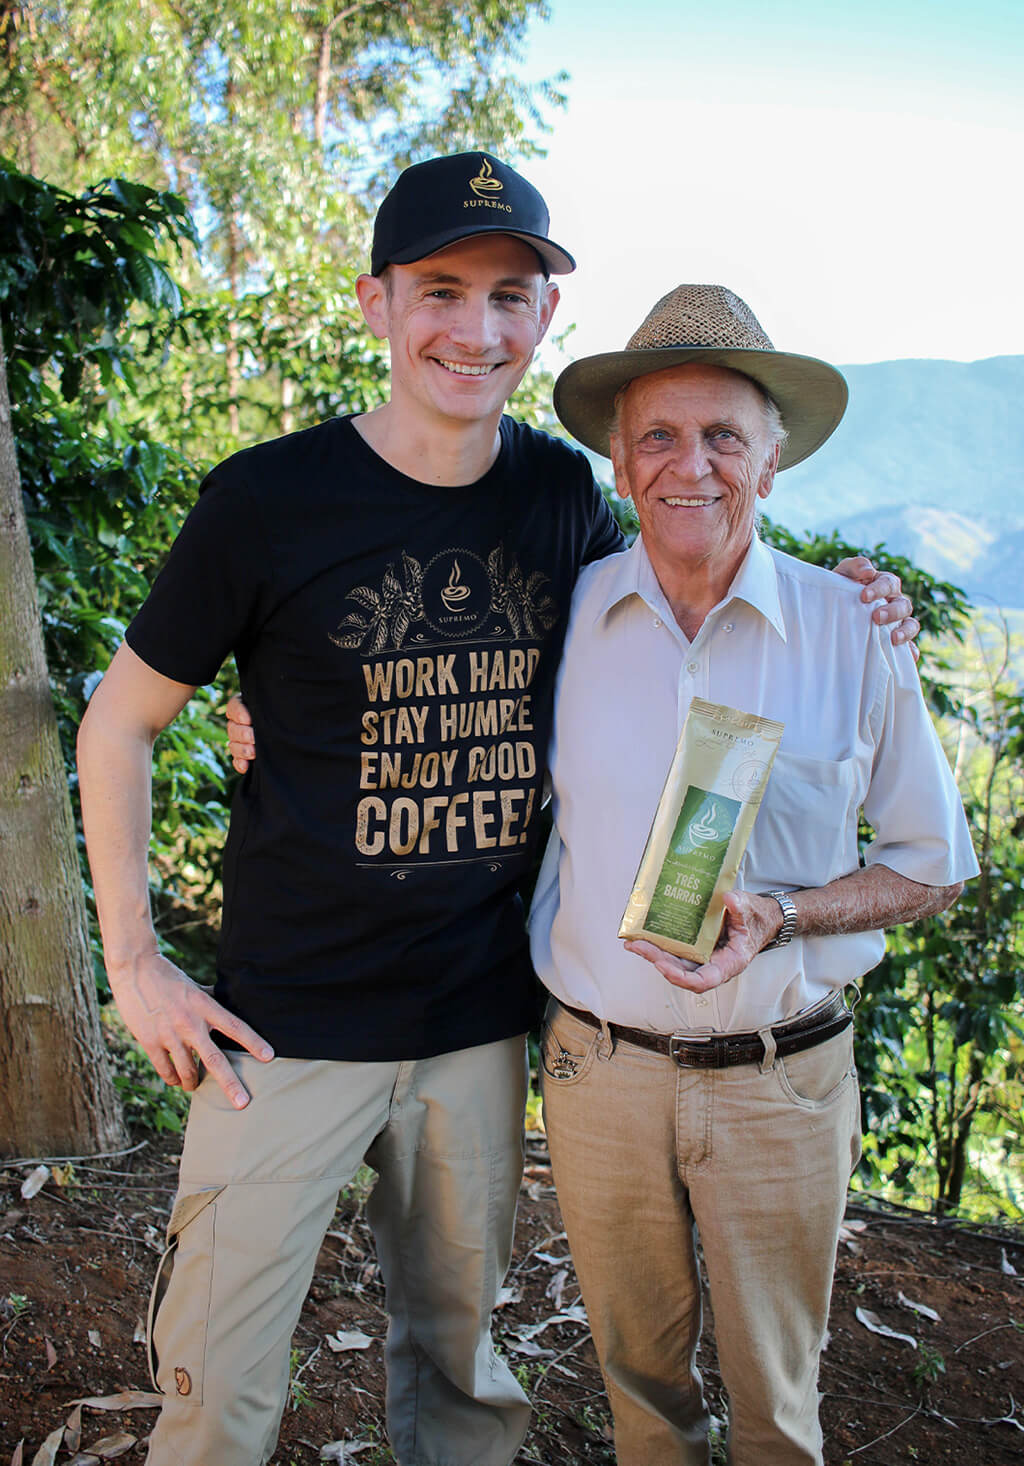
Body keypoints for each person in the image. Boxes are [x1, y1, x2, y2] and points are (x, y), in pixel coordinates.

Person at [79, 146, 915, 1466]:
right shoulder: (267, 500)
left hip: (479, 1027)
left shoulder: (559, 497)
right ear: (377, 303)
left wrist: (861, 598)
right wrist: (132, 959)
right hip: (283, 1024)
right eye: (441, 290)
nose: (475, 329)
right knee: (218, 1388)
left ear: (543, 318)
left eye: (510, 295)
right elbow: (118, 719)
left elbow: (679, 603)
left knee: (463, 1380)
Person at [527, 283, 979, 1465]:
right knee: (638, 1390)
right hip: (599, 1075)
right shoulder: (560, 621)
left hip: (780, 1083)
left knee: (779, 1408)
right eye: (660, 436)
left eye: (724, 435)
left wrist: (782, 915)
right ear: (620, 463)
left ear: (772, 462)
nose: (693, 465)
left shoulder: (851, 628)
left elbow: (930, 868)